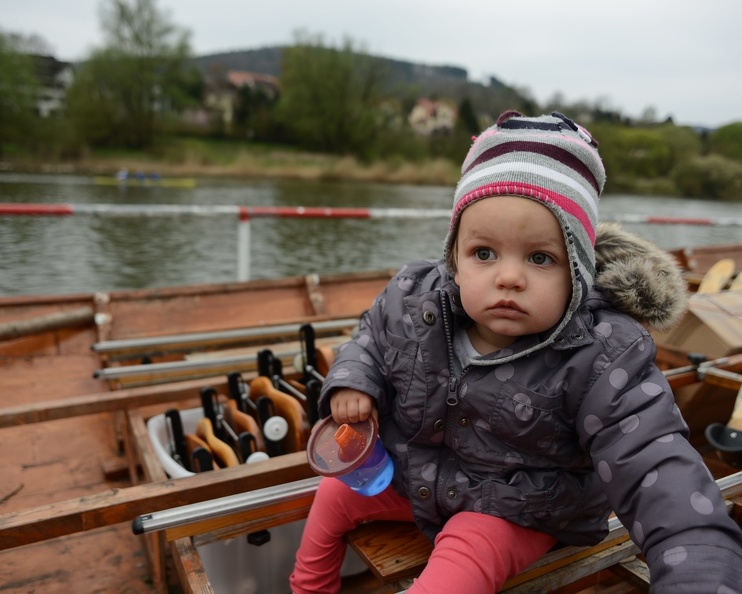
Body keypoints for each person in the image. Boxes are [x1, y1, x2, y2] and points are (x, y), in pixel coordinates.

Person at [289, 111, 742, 594]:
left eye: (540, 257)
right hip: (419, 476)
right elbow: (371, 338)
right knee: (334, 493)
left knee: (459, 565)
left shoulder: (603, 355)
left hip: (517, 509)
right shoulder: (412, 296)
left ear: (579, 272)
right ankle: (309, 587)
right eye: (484, 253)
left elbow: (657, 470)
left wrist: (701, 573)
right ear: (455, 258)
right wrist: (354, 377)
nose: (508, 277)